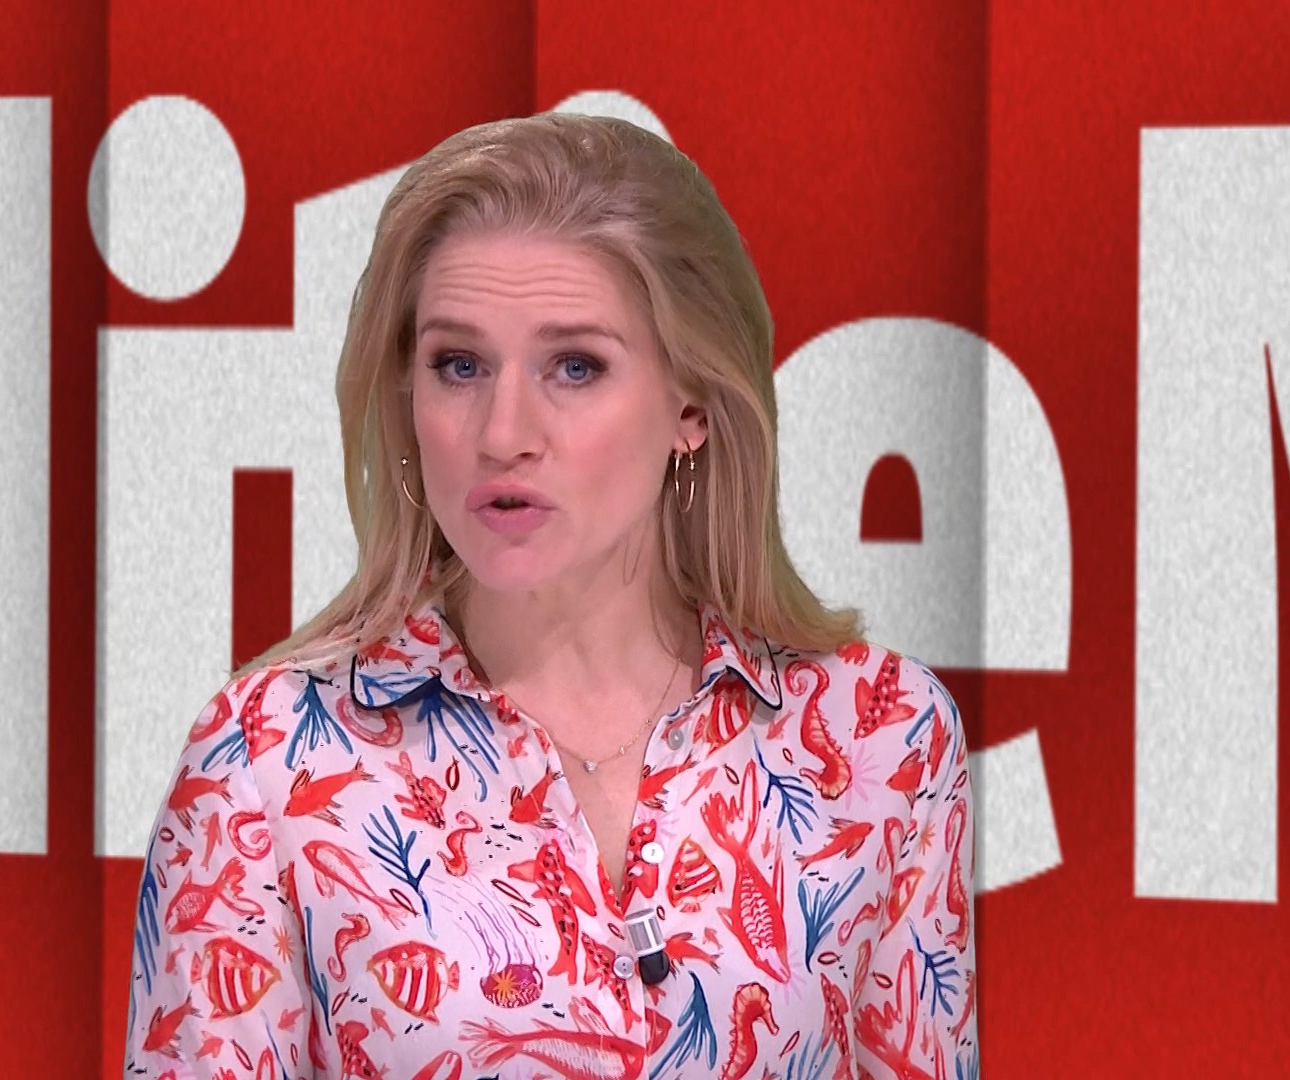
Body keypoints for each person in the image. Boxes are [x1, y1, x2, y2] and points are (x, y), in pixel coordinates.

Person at [123, 111, 977, 1080]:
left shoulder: (878, 739)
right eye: (459, 365)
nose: (503, 433)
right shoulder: (266, 762)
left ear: (693, 405)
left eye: (575, 366)